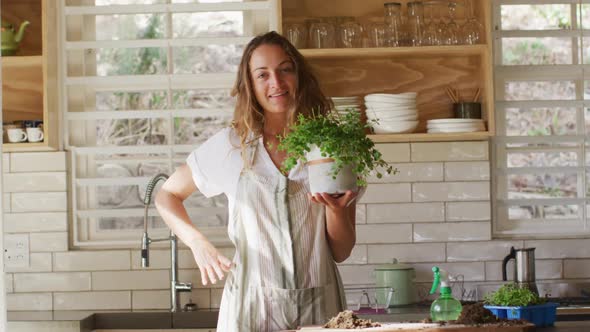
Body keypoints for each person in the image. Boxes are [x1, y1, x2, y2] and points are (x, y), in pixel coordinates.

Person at [155, 31, 358, 331]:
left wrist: (337, 210)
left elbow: (340, 251)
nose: (275, 82)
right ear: (249, 84)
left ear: (299, 75)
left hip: (320, 309)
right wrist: (198, 243)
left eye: (284, 69)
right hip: (250, 311)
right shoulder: (231, 145)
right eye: (262, 74)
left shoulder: (330, 144)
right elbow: (167, 195)